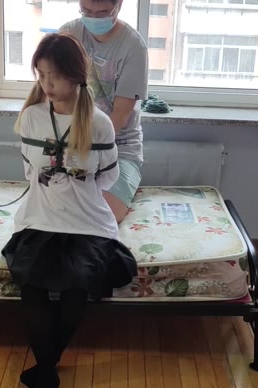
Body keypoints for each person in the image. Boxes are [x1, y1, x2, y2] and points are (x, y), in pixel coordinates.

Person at [1, 33, 137, 388]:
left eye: (55, 76)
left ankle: (45, 373)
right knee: (32, 286)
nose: (47, 84)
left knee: (78, 284)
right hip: (39, 218)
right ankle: (48, 374)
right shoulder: (31, 118)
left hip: (87, 223)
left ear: (76, 76)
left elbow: (107, 178)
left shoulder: (100, 124)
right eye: (42, 75)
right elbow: (30, 171)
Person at [60, 0, 148, 223]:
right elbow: (54, 91)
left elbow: (119, 117)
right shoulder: (69, 35)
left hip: (120, 148)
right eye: (87, 11)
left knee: (102, 216)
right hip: (71, 143)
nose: (93, 18)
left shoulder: (133, 47)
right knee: (57, 210)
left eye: (102, 13)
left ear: (119, 5)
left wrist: (87, 153)